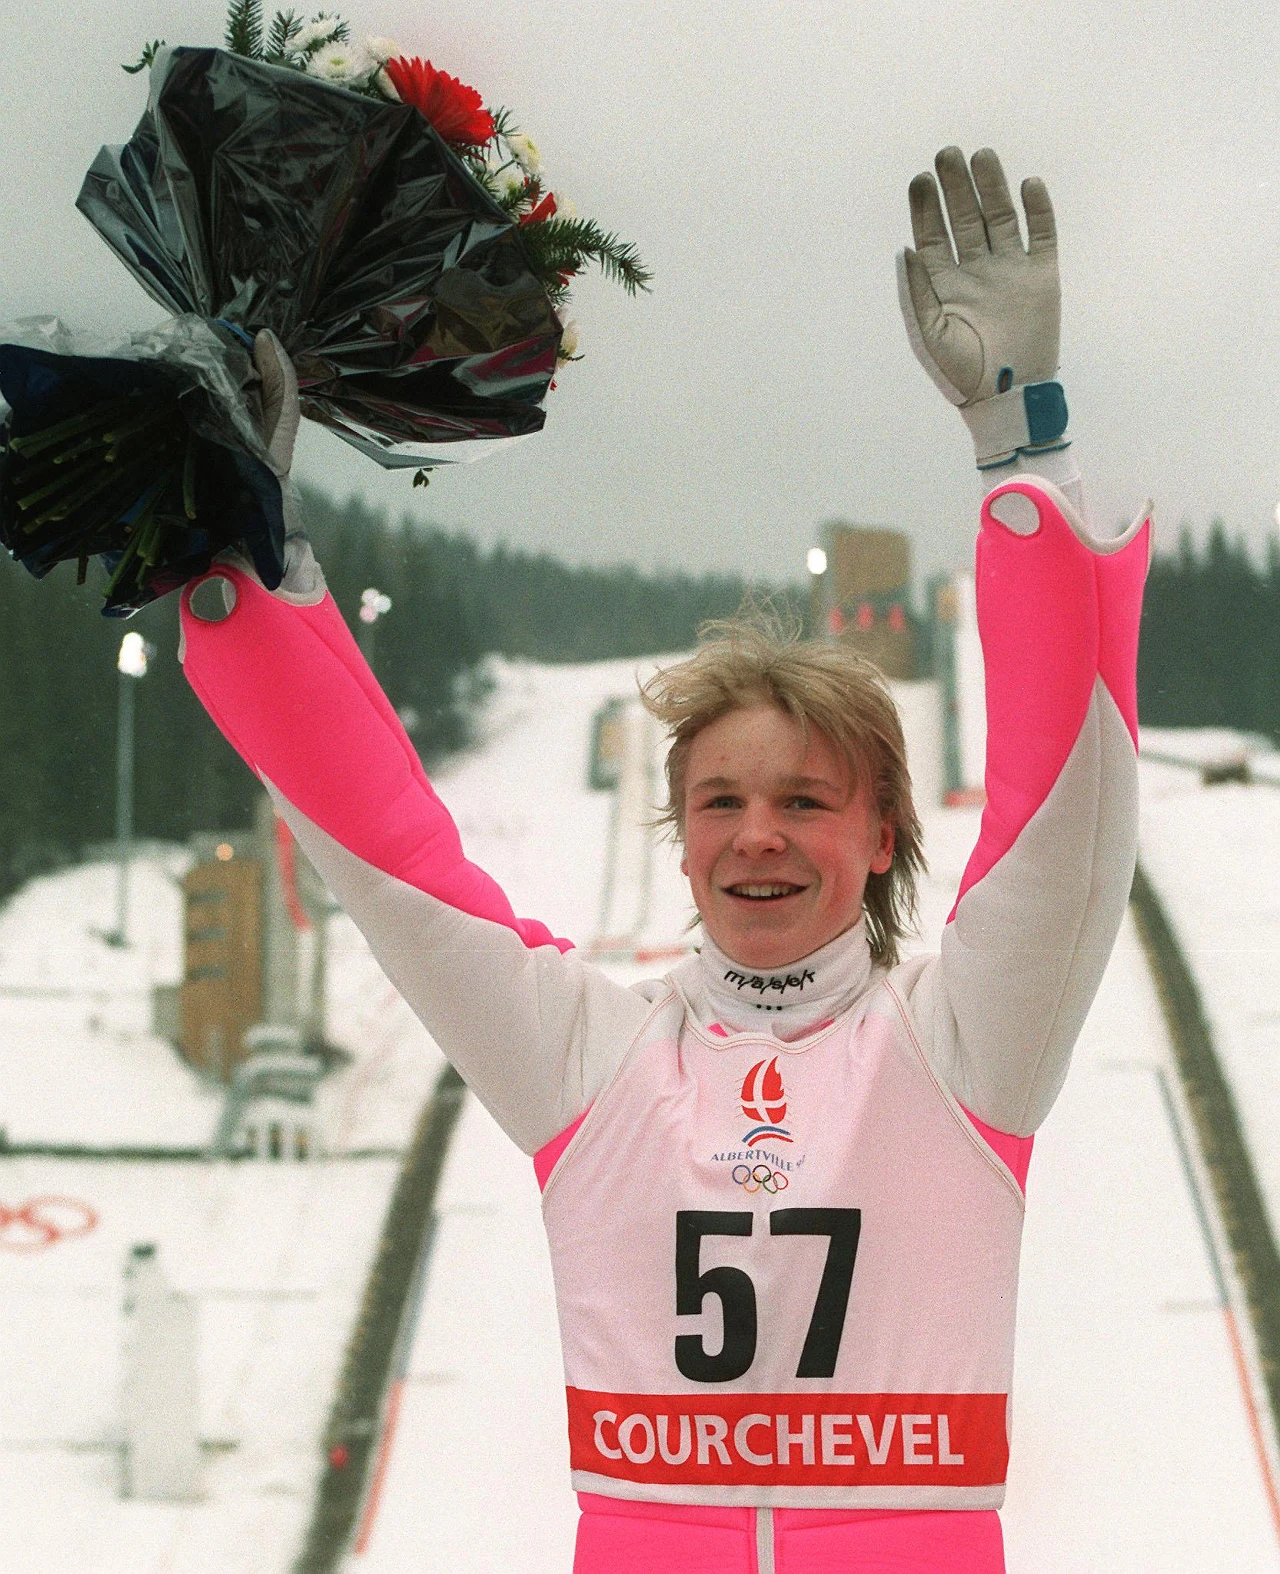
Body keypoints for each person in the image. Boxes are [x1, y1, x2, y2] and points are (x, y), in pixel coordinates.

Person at [178, 147, 1150, 1573]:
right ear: (679, 835)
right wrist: (253, 564)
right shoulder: (595, 1061)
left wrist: (1027, 446)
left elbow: (1064, 828)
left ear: (881, 833)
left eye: (809, 801)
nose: (759, 834)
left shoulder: (961, 1048)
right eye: (721, 802)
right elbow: (397, 864)